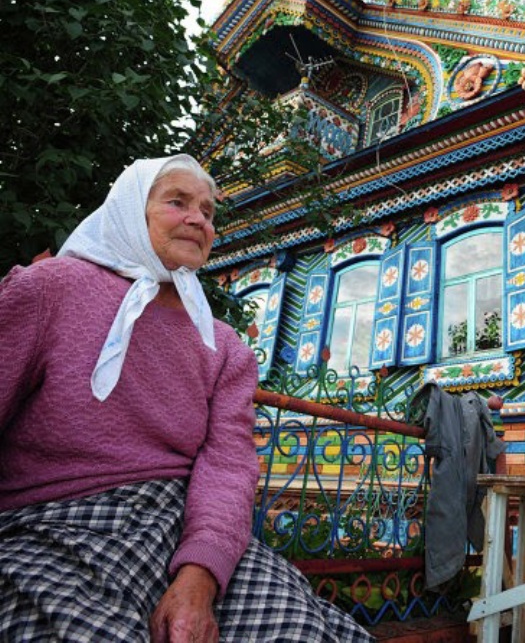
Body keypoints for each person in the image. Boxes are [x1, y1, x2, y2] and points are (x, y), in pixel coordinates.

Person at [0, 155, 373, 642]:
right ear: (131, 210)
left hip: (183, 527)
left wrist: (200, 576)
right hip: (55, 524)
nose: (199, 219)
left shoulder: (223, 346)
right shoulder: (49, 290)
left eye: (208, 212)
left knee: (299, 630)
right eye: (177, 202)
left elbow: (228, 466)